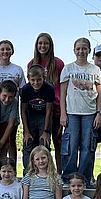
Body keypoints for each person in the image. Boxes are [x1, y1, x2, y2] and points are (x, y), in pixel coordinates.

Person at [58, 36, 101, 186]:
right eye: (78, 48)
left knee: (87, 147)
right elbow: (63, 93)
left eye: (84, 48)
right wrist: (63, 114)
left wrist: (99, 113)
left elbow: (99, 93)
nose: (81, 51)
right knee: (70, 146)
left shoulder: (95, 69)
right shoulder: (68, 68)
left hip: (90, 113)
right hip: (72, 112)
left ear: (89, 50)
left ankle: (84, 179)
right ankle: (69, 178)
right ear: (74, 50)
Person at [28, 32, 66, 167]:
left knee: (58, 141)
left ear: (50, 45)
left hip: (55, 107)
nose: (43, 46)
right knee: (41, 144)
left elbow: (63, 87)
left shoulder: (58, 63)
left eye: (46, 43)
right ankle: (39, 173)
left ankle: (60, 173)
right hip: (38, 110)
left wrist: (63, 111)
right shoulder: (32, 63)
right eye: (40, 43)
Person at [19, 65, 56, 175]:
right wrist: (26, 131)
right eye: (33, 80)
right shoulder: (25, 89)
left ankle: (46, 174)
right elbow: (23, 111)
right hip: (30, 117)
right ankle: (28, 173)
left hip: (44, 117)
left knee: (43, 145)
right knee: (28, 144)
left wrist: (46, 131)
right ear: (29, 79)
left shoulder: (49, 88)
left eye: (39, 80)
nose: (36, 83)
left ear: (43, 77)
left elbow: (49, 111)